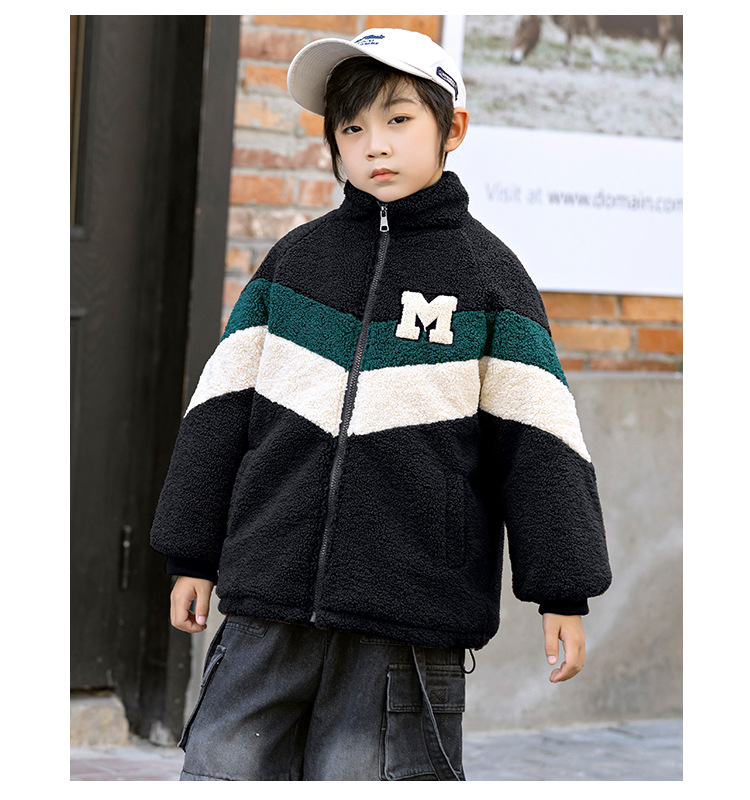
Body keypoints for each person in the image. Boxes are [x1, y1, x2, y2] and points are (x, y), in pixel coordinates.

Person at [150, 27, 611, 781]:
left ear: (452, 129)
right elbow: (219, 415)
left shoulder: (489, 278)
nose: (376, 146)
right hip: (266, 608)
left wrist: (563, 592)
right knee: (222, 775)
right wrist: (191, 555)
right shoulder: (294, 264)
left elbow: (540, 444)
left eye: (399, 119)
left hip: (408, 622)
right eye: (352, 128)